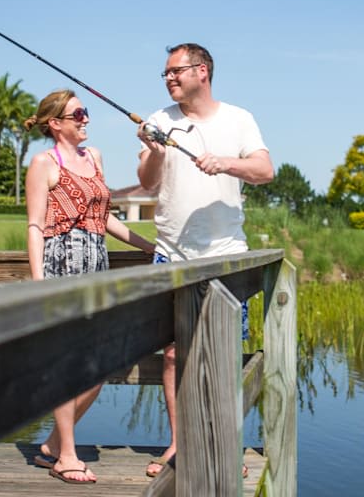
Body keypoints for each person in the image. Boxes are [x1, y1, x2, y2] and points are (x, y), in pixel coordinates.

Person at [136, 43, 274, 478]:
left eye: (175, 71)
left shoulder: (239, 119)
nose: (169, 79)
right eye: (165, 74)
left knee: (223, 355)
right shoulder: (159, 121)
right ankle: (179, 445)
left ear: (203, 71)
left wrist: (226, 163)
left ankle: (223, 445)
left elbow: (265, 170)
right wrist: (155, 151)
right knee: (174, 356)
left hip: (225, 256)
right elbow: (146, 182)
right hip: (171, 255)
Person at [24, 88, 155, 484]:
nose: (86, 119)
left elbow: (105, 219)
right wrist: (38, 283)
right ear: (56, 124)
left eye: (86, 112)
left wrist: (150, 246)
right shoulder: (43, 163)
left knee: (100, 366)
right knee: (67, 363)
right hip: (61, 266)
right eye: (78, 113)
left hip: (95, 266)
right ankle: (66, 454)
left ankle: (50, 446)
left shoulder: (94, 158)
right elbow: (35, 226)